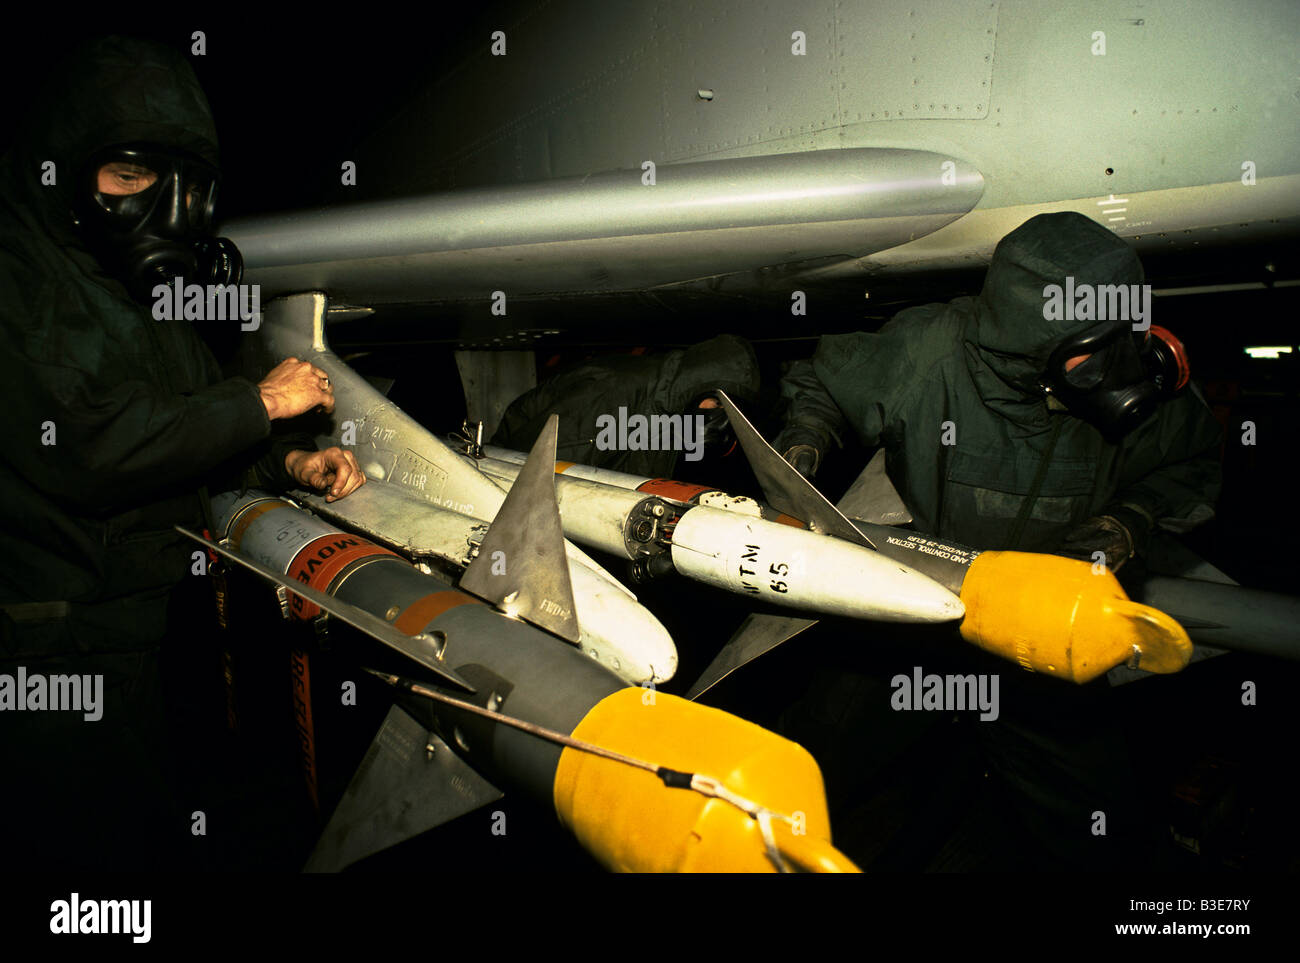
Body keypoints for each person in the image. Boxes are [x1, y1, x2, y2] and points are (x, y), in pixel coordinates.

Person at [0, 36, 365, 869]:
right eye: (128, 178)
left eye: (182, 187)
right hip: (46, 655)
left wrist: (287, 462)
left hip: (140, 635)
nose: (161, 209)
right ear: (66, 165)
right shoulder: (18, 273)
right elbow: (92, 448)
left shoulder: (125, 286)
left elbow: (189, 431)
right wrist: (262, 401)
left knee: (147, 837)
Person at [771, 212, 1222, 869]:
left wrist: (1130, 517)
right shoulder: (927, 353)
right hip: (912, 614)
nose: (1117, 371)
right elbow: (826, 381)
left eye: (1125, 333)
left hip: (1038, 634)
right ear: (1026, 350)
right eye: (1091, 354)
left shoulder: (1133, 391)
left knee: (1100, 829)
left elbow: (1194, 464)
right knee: (802, 768)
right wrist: (807, 434)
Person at [492, 334, 761, 479]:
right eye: (717, 403)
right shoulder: (619, 390)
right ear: (700, 383)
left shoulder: (671, 411)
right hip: (506, 473)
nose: (718, 418)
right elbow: (544, 472)